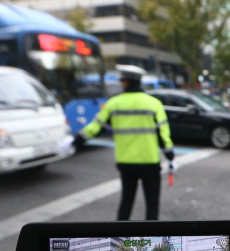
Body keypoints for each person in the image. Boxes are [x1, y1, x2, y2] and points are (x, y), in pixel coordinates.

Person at [74, 65, 175, 221]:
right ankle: (152, 240)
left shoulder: (113, 103)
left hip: (126, 163)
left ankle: (119, 238)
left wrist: (78, 139)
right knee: (152, 204)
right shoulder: (154, 103)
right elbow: (163, 133)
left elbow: (96, 126)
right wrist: (169, 153)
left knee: (126, 202)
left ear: (126, 82)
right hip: (149, 163)